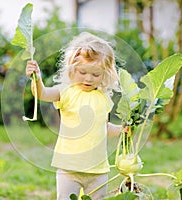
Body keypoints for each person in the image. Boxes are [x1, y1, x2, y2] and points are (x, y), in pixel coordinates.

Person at [26, 32, 125, 200]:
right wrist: (36, 79)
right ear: (72, 68)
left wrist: (123, 130)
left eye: (96, 74)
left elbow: (104, 127)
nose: (88, 78)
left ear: (106, 74)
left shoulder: (104, 98)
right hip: (68, 168)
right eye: (82, 72)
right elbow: (42, 94)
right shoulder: (65, 91)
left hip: (98, 169)